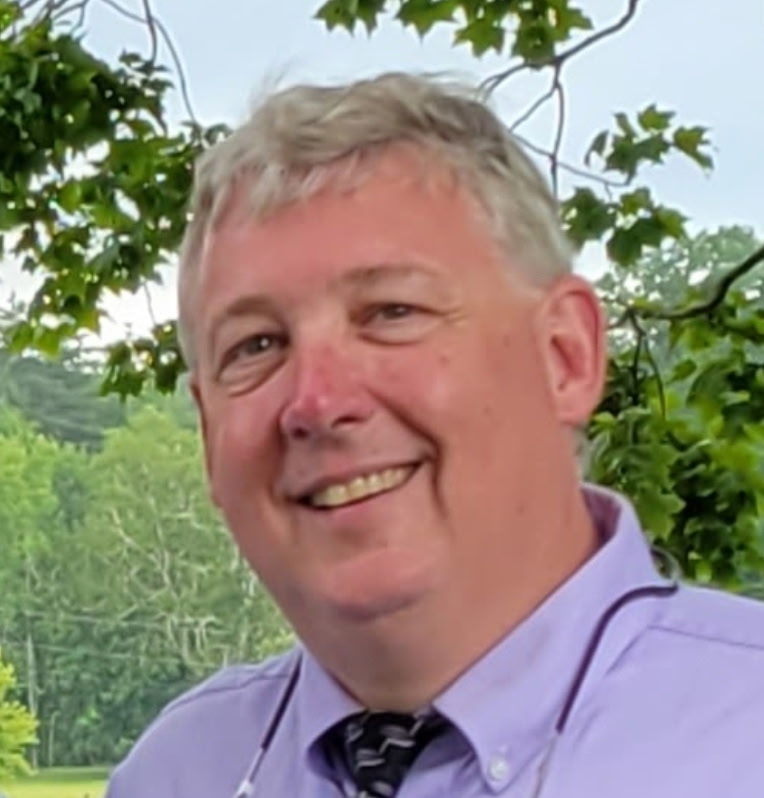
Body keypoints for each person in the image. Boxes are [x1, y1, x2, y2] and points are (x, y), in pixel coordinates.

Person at [105, 73, 764, 798]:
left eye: (391, 312)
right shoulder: (179, 773)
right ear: (207, 435)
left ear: (565, 356)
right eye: (256, 346)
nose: (318, 402)